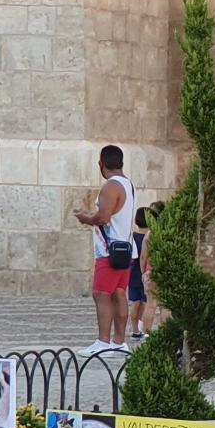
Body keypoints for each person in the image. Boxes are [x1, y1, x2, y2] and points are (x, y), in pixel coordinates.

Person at [72, 144, 137, 356]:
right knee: (119, 294)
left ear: (101, 164)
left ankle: (103, 342)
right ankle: (119, 342)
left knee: (101, 294)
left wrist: (85, 218)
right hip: (126, 248)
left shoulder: (111, 186)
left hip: (110, 249)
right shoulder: (128, 184)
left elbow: (103, 218)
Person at [126, 202, 164, 341]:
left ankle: (139, 330)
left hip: (139, 273)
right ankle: (163, 331)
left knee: (144, 304)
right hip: (156, 270)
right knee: (161, 305)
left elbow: (141, 257)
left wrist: (143, 271)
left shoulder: (135, 236)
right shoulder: (159, 234)